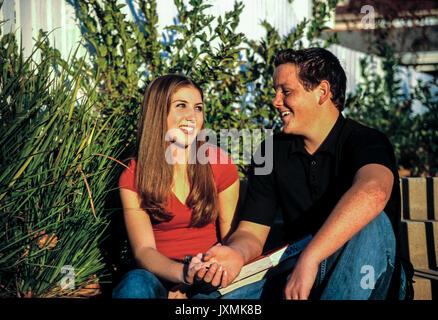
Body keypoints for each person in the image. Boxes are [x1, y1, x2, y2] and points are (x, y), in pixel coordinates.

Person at [199, 47, 413, 300]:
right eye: (276, 91)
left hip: (374, 275)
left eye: (286, 92)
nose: (276, 101)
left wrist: (312, 257)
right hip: (299, 273)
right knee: (206, 303)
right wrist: (236, 252)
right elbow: (251, 232)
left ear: (322, 92)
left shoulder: (366, 141)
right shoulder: (272, 150)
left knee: (367, 221)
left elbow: (374, 192)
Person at [112, 74, 239, 299]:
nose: (192, 116)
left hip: (209, 281)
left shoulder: (219, 165)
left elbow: (231, 241)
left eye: (198, 108)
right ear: (158, 112)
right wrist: (183, 274)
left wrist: (198, 278)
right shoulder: (133, 175)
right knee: (134, 285)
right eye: (181, 106)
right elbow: (143, 251)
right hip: (160, 279)